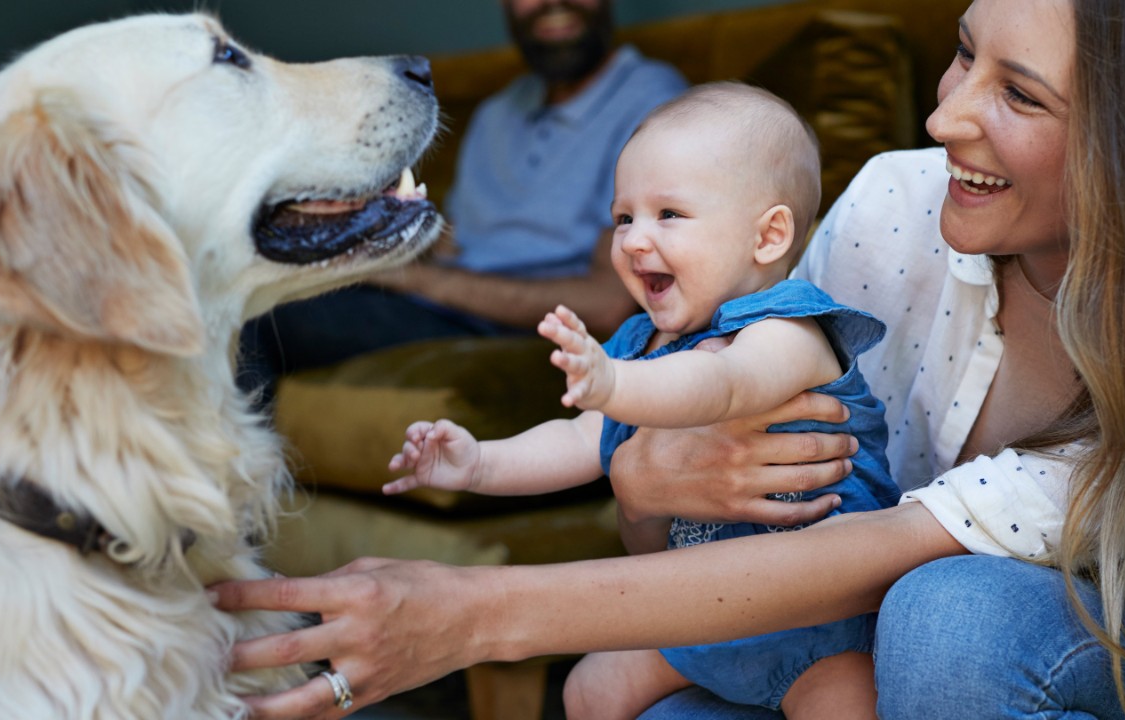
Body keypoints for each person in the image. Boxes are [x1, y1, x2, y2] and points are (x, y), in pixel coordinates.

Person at [213, 1, 1125, 719]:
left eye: (1019, 96)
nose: (942, 114)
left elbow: (864, 545)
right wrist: (626, 473)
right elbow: (669, 501)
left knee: (950, 618)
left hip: (1104, 640)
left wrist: (471, 614)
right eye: (958, 51)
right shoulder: (897, 206)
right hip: (822, 606)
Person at [382, 83, 898, 720]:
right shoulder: (642, 343)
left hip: (821, 627)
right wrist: (477, 465)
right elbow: (578, 440)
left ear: (767, 238)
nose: (631, 239)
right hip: (698, 613)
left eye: (668, 215)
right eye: (623, 217)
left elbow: (720, 385)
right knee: (587, 691)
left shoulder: (789, 331)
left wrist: (617, 385)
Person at [236, 0, 687, 403]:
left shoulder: (652, 100)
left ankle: (225, 491)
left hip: (511, 331)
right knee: (251, 289)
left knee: (258, 319)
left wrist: (411, 279)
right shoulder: (496, 113)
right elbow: (452, 243)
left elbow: (607, 304)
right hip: (434, 307)